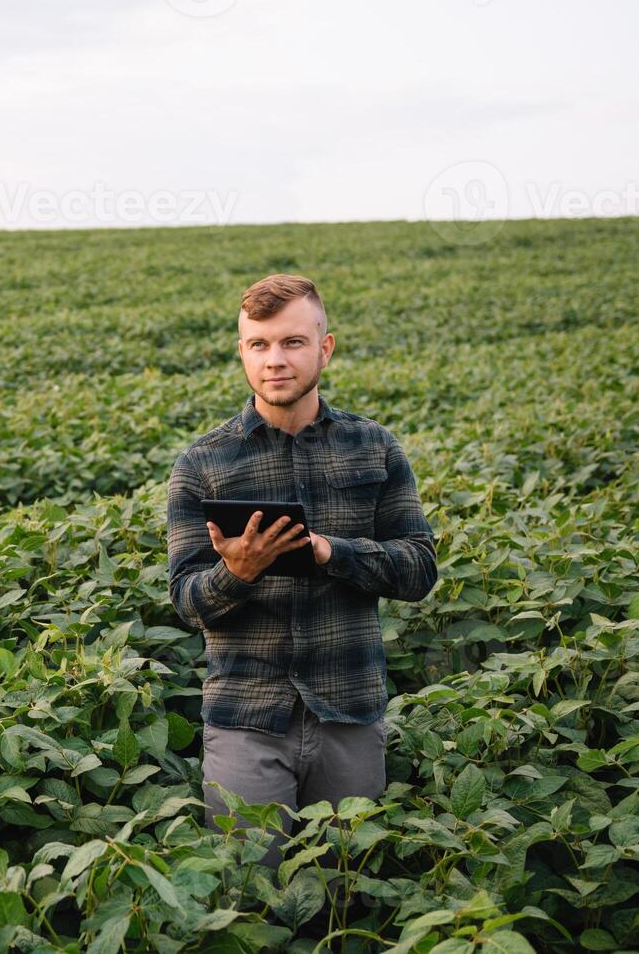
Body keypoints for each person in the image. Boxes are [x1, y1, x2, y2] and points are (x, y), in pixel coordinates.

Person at [166, 273, 439, 885]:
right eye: (258, 345)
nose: (275, 360)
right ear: (242, 352)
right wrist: (236, 574)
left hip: (349, 712)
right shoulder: (202, 464)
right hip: (245, 717)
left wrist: (328, 552)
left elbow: (419, 568)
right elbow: (186, 600)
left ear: (326, 347)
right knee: (250, 894)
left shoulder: (375, 449)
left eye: (292, 342)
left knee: (346, 891)